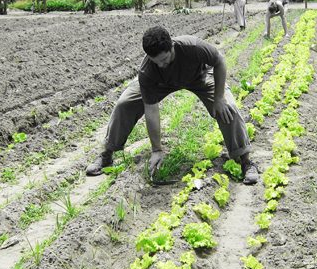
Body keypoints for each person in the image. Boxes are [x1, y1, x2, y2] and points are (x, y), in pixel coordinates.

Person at [86, 26, 260, 185]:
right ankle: (107, 154)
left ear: (172, 47)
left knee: (228, 107)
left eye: (164, 59)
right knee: (125, 103)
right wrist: (156, 150)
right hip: (162, 83)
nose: (161, 65)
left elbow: (219, 61)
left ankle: (245, 160)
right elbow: (151, 110)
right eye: (157, 62)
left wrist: (219, 98)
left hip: (199, 76)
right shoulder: (148, 71)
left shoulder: (193, 47)